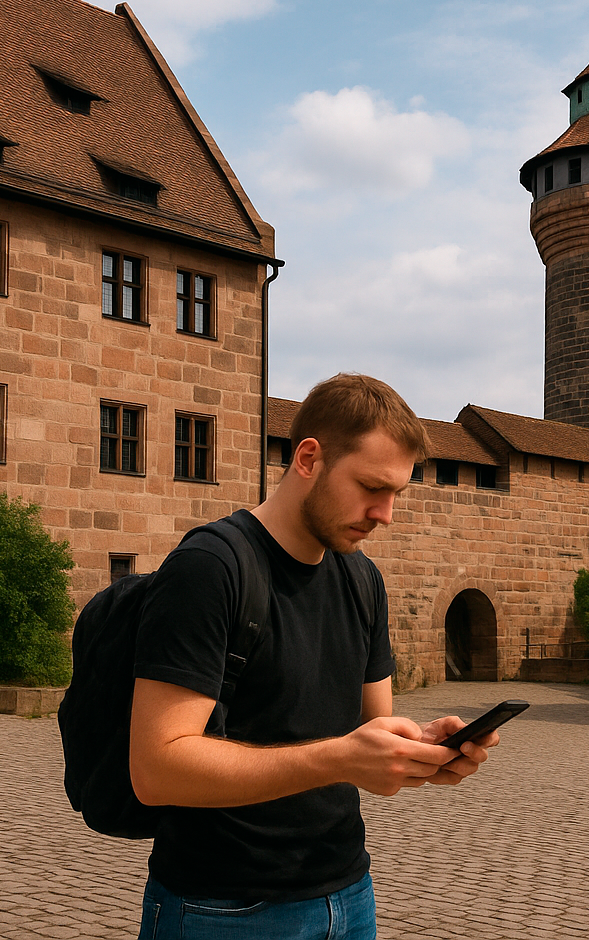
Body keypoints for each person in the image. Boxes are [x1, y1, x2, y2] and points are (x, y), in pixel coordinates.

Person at [129, 373, 498, 939]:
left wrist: (426, 752)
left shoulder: (361, 578)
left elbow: (371, 729)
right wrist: (341, 760)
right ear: (307, 458)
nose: (386, 513)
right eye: (372, 487)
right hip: (224, 908)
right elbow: (156, 770)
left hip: (348, 895)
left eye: (396, 492)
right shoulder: (211, 567)